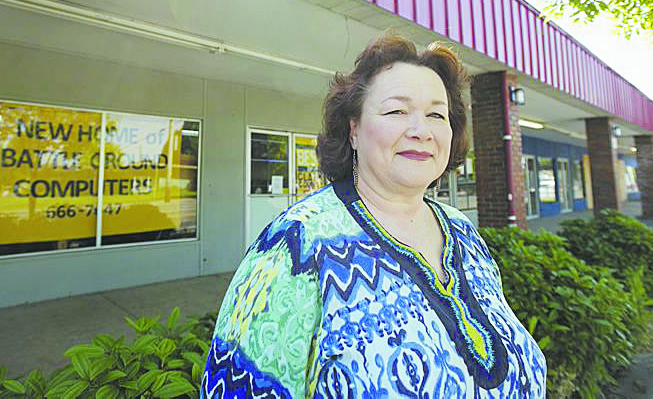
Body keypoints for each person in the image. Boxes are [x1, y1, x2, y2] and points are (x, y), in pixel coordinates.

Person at [202, 34, 547, 397]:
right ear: (353, 130)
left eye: (436, 114)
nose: (421, 131)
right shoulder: (295, 245)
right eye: (397, 111)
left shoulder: (463, 231)